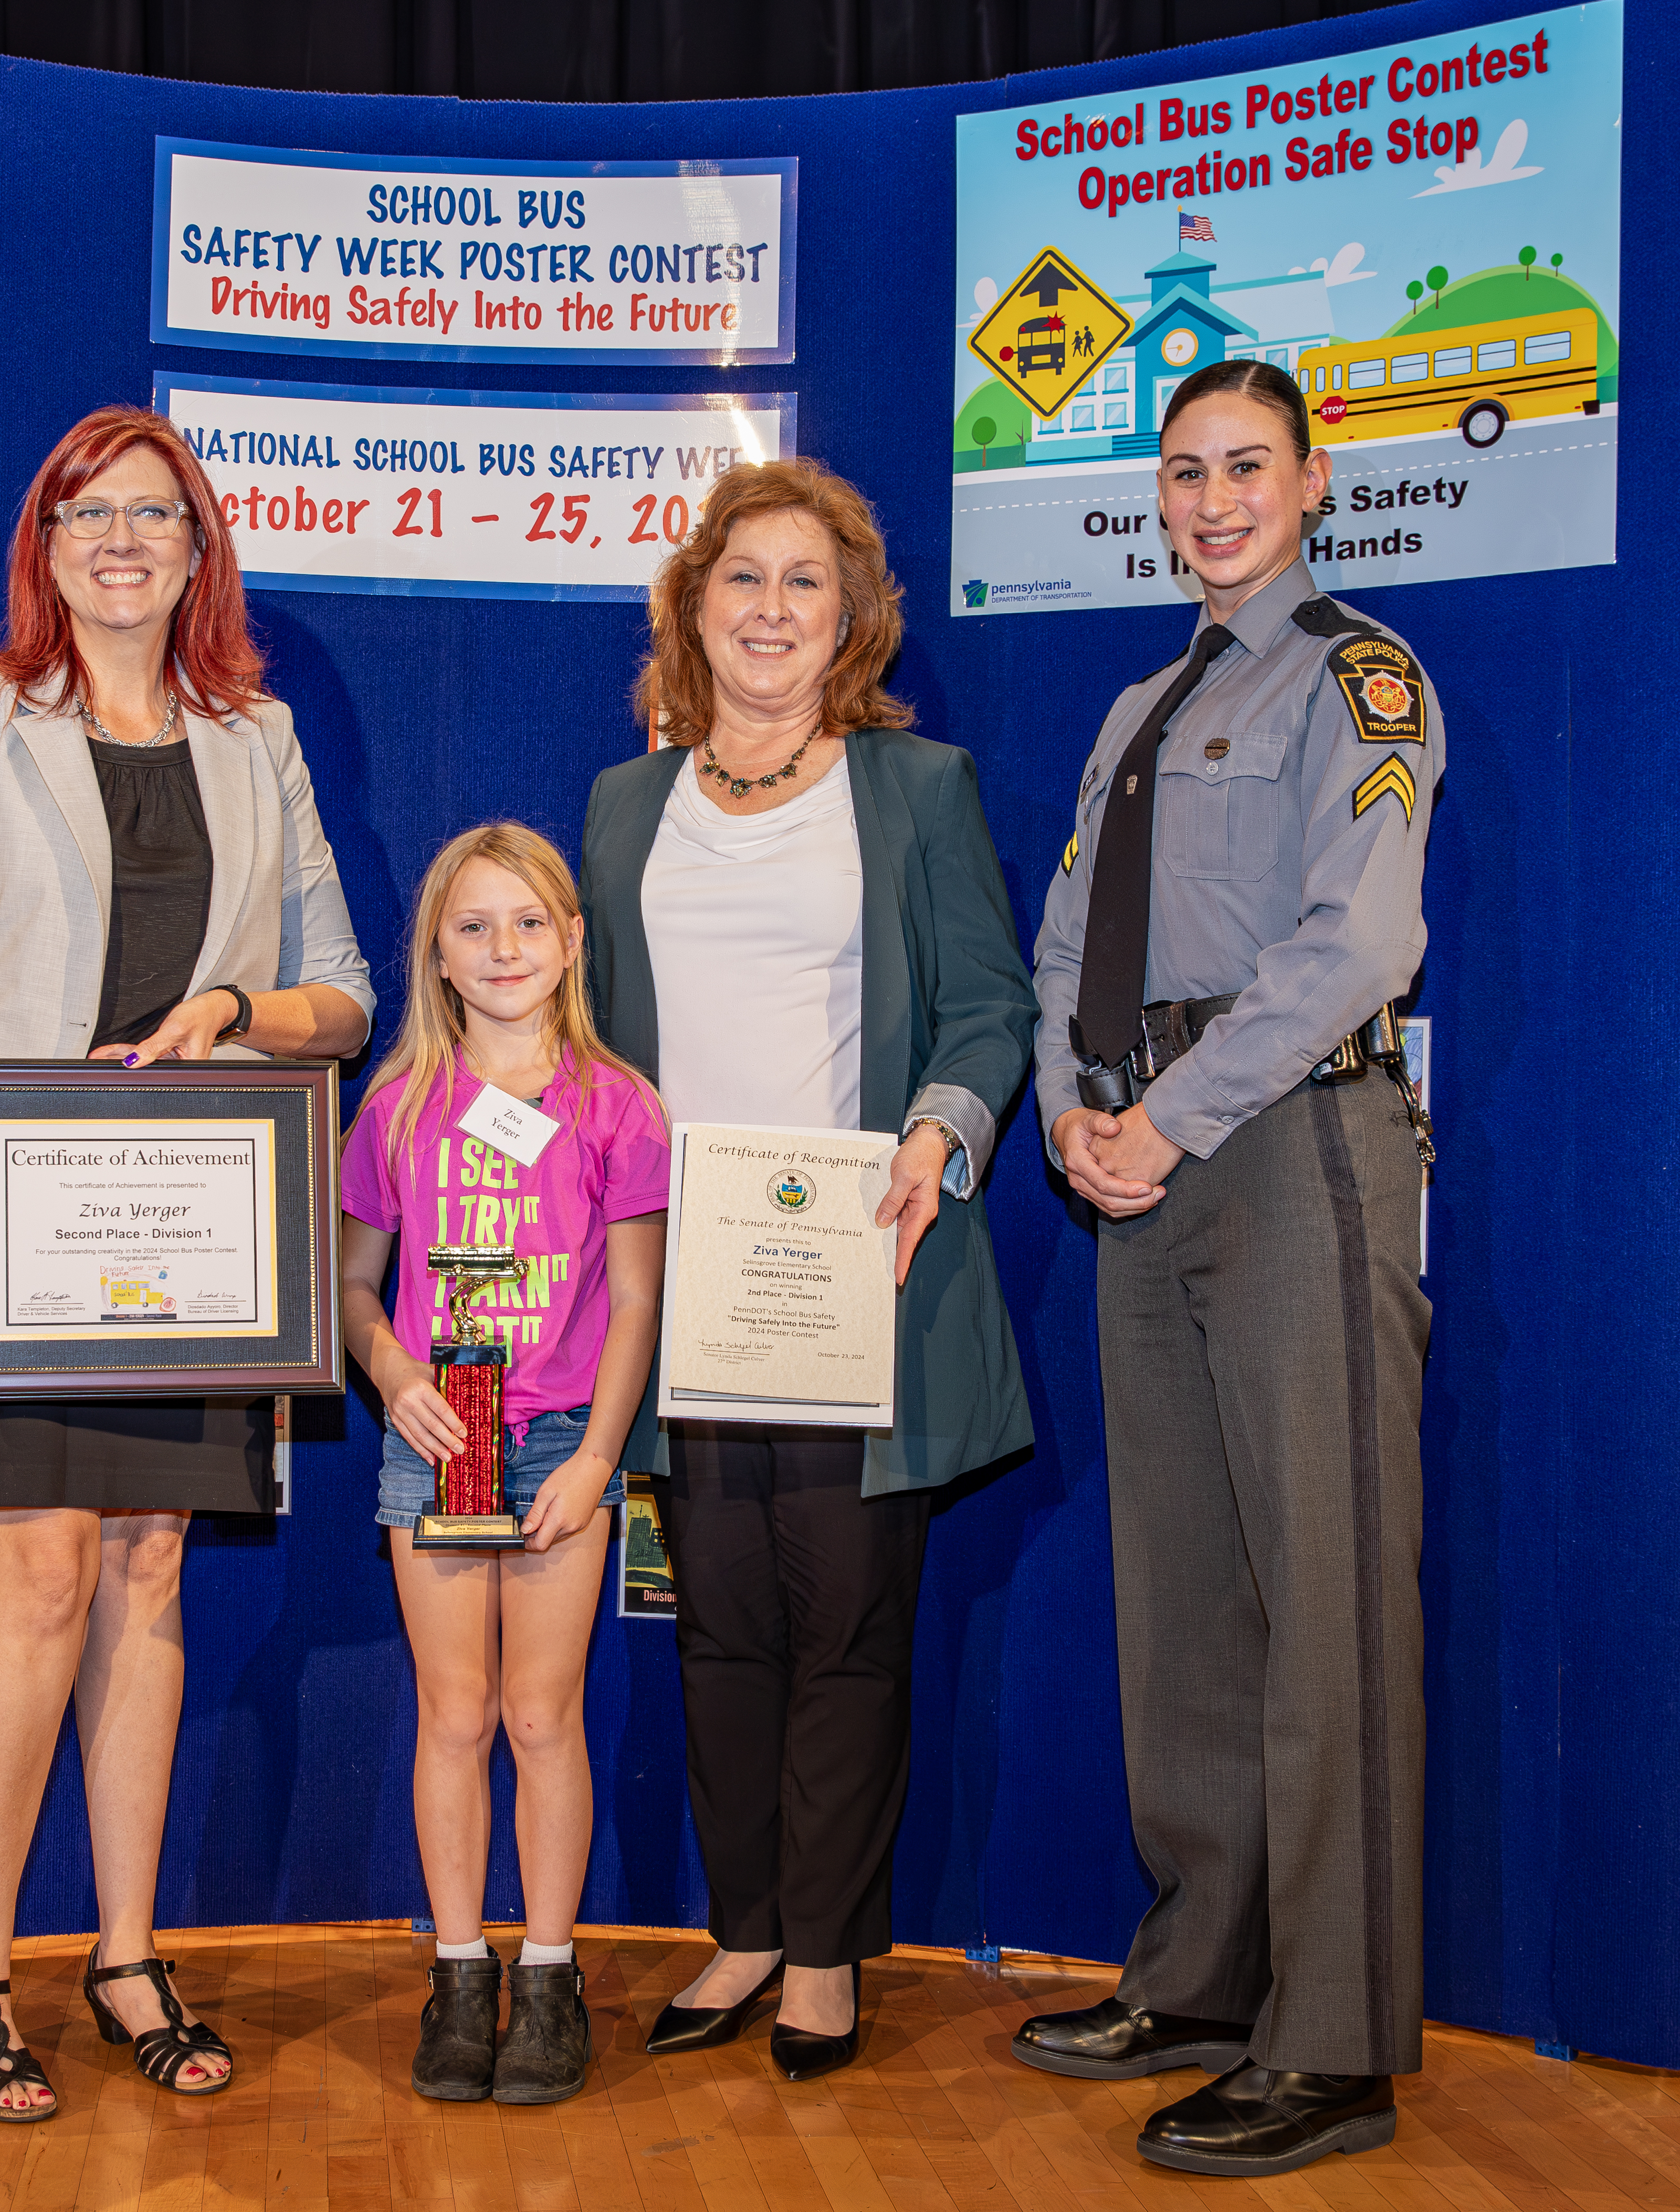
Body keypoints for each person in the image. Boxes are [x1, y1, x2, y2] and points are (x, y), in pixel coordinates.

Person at [0, 404, 376, 2124]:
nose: (123, 539)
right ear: (45, 543)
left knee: (147, 1578)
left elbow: (348, 995)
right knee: (38, 1584)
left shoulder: (260, 734)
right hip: (3, 1232)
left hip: (196, 1228)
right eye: (88, 513)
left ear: (201, 547)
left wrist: (236, 1009)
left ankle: (128, 1954)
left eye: (157, 512)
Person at [1012, 358, 1440, 2179]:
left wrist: (1172, 1115)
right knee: (1182, 1598)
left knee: (1326, 1600)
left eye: (1244, 467)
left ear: (1312, 478)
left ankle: (1332, 2039)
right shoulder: (1133, 706)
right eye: (1184, 472)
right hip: (1139, 1163)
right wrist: (1072, 1117)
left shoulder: (1364, 675)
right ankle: (1197, 1980)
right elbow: (1058, 942)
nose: (1210, 501)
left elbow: (1360, 941)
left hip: (1287, 1150)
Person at [578, 457, 1035, 2083]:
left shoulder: (917, 789)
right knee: (719, 1625)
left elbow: (990, 1008)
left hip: (861, 1266)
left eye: (805, 585)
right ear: (693, 606)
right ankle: (748, 1926)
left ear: (850, 622)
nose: (770, 609)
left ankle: (832, 1949)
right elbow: (597, 1044)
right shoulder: (626, 807)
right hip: (688, 1282)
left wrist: (937, 1134)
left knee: (847, 1619)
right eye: (743, 578)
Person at [335, 823, 670, 2108]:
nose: (504, 950)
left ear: (572, 940)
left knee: (542, 1717)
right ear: (437, 951)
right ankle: (460, 1972)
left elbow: (634, 1302)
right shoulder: (400, 1106)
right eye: (473, 927)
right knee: (454, 1714)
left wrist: (597, 1455)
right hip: (438, 1448)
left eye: (529, 923)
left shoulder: (618, 1104)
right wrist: (396, 1374)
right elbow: (356, 1287)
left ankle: (548, 1974)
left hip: (555, 1449)